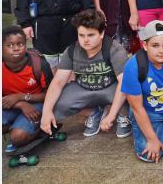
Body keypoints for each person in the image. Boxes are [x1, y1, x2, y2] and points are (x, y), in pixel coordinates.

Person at [40, 9, 131, 139]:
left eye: (90, 35)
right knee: (55, 101)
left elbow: (124, 82)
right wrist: (46, 112)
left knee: (131, 91)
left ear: (101, 33)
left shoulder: (114, 49)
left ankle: (122, 114)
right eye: (81, 35)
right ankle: (94, 113)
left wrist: (111, 116)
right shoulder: (71, 50)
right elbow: (58, 81)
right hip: (84, 87)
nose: (85, 40)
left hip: (111, 88)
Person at [120, 20, 163, 163]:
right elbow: (137, 107)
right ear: (145, 45)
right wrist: (152, 139)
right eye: (155, 45)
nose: (161, 50)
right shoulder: (133, 66)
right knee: (149, 154)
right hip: (147, 110)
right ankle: (152, 131)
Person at [2, 26, 51, 151]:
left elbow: (51, 94)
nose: (16, 48)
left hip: (37, 103)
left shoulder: (39, 64)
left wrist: (21, 97)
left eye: (20, 44)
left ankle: (41, 125)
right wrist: (21, 104)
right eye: (10, 45)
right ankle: (17, 123)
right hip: (11, 104)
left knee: (17, 138)